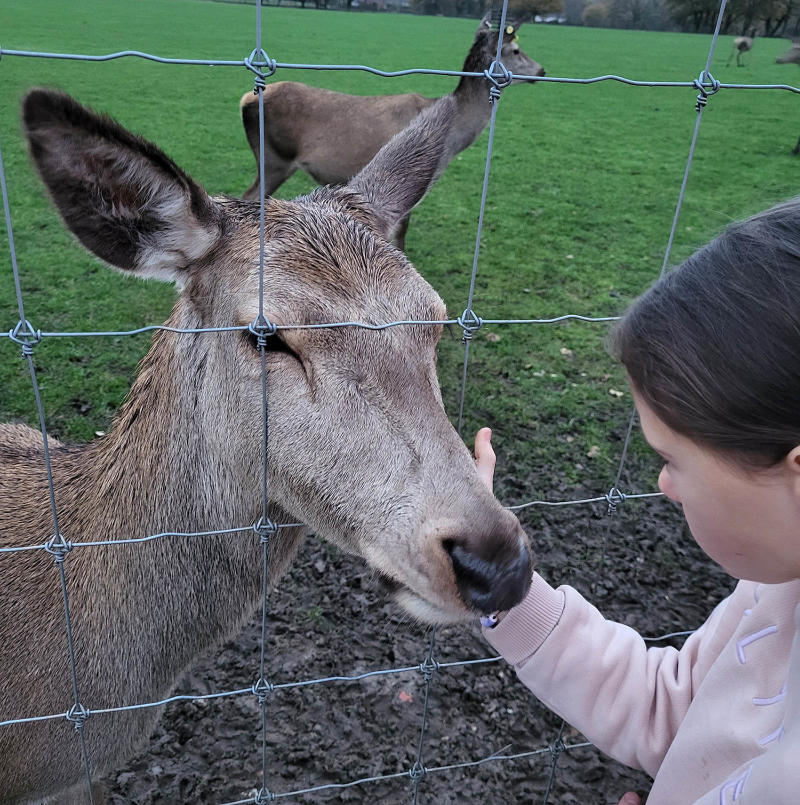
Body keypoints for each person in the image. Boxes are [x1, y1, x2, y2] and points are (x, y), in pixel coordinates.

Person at [474, 199, 800, 804]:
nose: (664, 484)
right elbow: (672, 710)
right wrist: (500, 580)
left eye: (672, 458)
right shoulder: (778, 589)